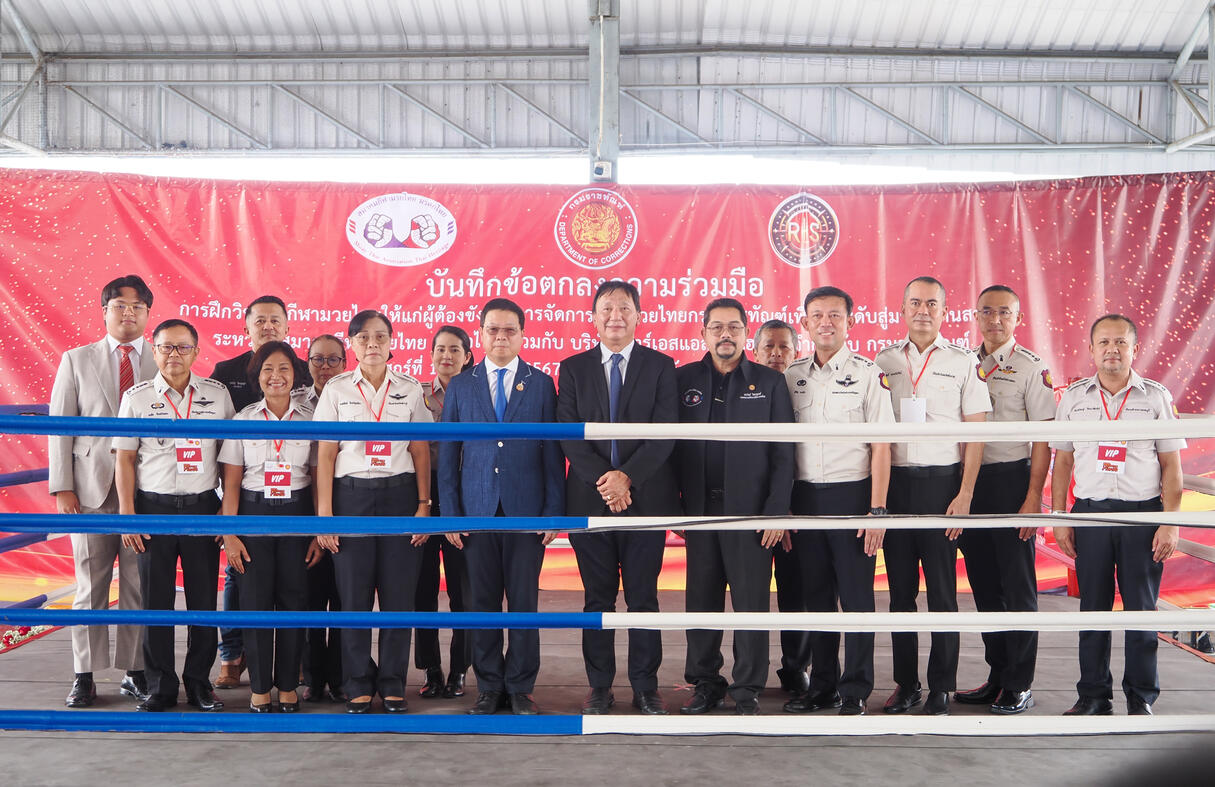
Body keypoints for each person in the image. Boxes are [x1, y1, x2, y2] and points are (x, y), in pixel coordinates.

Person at [557, 280, 681, 716]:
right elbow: (568, 435)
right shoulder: (573, 368)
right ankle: (599, 687)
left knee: (644, 597)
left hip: (645, 501)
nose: (616, 316)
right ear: (593, 318)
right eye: (607, 308)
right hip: (590, 502)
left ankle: (646, 687)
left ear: (638, 316)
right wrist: (607, 482)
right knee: (597, 599)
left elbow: (665, 433)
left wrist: (627, 478)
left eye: (625, 308)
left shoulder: (661, 366)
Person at [1051, 314, 1184, 716]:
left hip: (1141, 517)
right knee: (1092, 608)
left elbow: (1171, 466)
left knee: (1141, 608)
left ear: (1134, 349)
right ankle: (1093, 695)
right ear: (1091, 349)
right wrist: (1060, 518)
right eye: (1104, 342)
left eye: (1120, 342)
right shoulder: (1074, 398)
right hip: (1089, 515)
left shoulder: (1155, 397)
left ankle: (1141, 697)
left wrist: (1169, 522)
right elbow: (1063, 461)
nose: (1112, 350)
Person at [439, 299, 565, 716]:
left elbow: (552, 452)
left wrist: (553, 510)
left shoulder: (541, 384)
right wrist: (450, 514)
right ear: (481, 334)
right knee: (483, 604)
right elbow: (449, 455)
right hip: (476, 512)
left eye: (510, 330)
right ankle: (490, 686)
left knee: (524, 603)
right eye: (493, 329)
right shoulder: (462, 385)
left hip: (526, 512)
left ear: (522, 335)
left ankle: (522, 687)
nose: (501, 337)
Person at [874, 276, 991, 716]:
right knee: (900, 594)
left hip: (943, 487)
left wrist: (965, 494)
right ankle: (906, 684)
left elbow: (976, 434)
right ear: (902, 309)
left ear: (945, 311)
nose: (923, 310)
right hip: (897, 486)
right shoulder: (883, 360)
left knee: (943, 592)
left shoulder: (963, 362)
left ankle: (942, 685)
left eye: (931, 304)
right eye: (915, 303)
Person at [675, 298, 794, 715]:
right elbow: (667, 447)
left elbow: (783, 451)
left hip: (752, 514)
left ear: (746, 333)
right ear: (703, 333)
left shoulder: (769, 382)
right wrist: (674, 508)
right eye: (717, 327)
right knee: (701, 600)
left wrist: (776, 510)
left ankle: (747, 689)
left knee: (751, 602)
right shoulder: (682, 380)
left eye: (734, 327)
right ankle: (705, 683)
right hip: (699, 512)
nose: (725, 335)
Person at [782, 286, 894, 717]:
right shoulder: (792, 376)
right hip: (805, 499)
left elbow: (882, 446)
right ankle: (823, 686)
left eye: (834, 315)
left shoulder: (869, 373)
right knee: (816, 597)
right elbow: (782, 451)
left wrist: (877, 510)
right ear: (805, 323)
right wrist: (784, 506)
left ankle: (855, 690)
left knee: (856, 597)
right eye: (817, 315)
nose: (825, 323)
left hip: (854, 497)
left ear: (850, 321)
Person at [115, 319, 235, 712]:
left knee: (202, 602)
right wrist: (128, 514)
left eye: (183, 347)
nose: (174, 355)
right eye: (166, 347)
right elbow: (125, 459)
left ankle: (199, 683)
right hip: (153, 510)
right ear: (154, 351)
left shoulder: (216, 395)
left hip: (203, 508)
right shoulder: (136, 398)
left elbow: (230, 453)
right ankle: (160, 686)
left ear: (196, 352)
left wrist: (225, 508)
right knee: (156, 603)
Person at [314, 310, 431, 714]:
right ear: (353, 344)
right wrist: (325, 515)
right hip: (351, 499)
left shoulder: (410, 389)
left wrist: (423, 506)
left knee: (399, 598)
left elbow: (420, 450)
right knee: (354, 598)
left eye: (380, 336)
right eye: (364, 338)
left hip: (400, 497)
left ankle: (394, 682)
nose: (373, 344)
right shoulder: (337, 389)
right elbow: (326, 454)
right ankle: (358, 682)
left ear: (392, 341)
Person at [49, 274, 157, 708]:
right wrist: (63, 487)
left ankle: (135, 670)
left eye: (137, 306)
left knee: (137, 585)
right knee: (89, 586)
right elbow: (61, 426)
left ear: (148, 313)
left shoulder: (164, 358)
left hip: (145, 492)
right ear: (104, 311)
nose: (128, 313)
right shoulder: (76, 359)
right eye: (119, 305)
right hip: (89, 491)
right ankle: (85, 675)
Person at [955, 285, 1055, 715]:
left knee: (1017, 586)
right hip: (969, 484)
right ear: (976, 316)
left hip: (1011, 482)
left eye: (1004, 313)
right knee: (984, 585)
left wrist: (1033, 497)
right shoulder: (962, 362)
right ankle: (997, 676)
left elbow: (1044, 439)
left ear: (1018, 319)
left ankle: (1020, 683)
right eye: (987, 312)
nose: (995, 320)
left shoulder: (1031, 367)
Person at [209, 295, 312, 690]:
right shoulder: (229, 380)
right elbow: (231, 474)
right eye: (260, 320)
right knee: (244, 589)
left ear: (287, 326)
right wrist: (229, 526)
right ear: (246, 326)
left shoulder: (309, 405)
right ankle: (238, 664)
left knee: (294, 594)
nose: (276, 375)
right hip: (250, 504)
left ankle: (290, 675)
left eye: (275, 320)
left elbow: (317, 469)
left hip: (296, 509)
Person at [752, 318, 812, 696]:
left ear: (796, 351)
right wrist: (772, 507)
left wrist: (787, 506)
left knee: (798, 591)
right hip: (754, 508)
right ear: (755, 352)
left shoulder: (808, 385)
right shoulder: (745, 388)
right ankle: (750, 673)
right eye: (768, 347)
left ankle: (796, 667)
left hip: (799, 504)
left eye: (784, 347)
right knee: (752, 593)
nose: (776, 354)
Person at [415, 326, 475, 700]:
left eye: (454, 349)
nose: (446, 356)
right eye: (440, 349)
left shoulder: (478, 392)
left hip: (465, 498)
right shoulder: (416, 394)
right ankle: (431, 669)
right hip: (423, 495)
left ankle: (460, 669)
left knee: (462, 591)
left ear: (467, 356)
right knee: (422, 590)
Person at [298, 334, 347, 702]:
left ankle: (342, 676)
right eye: (318, 359)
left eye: (333, 360)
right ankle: (313, 677)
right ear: (308, 363)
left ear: (345, 363)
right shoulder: (294, 403)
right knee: (311, 600)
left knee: (345, 600)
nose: (325, 367)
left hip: (345, 508)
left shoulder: (352, 397)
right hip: (305, 512)